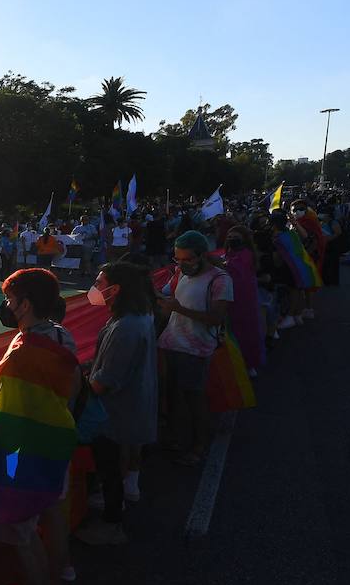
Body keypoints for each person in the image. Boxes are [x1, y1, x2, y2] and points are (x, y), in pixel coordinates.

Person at [0, 268, 79, 585]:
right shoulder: (59, 335)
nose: (7, 306)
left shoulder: (24, 353)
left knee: (21, 533)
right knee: (50, 517)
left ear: (25, 304)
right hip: (53, 447)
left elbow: (5, 415)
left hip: (21, 458)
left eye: (10, 300)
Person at [75, 263, 158, 545]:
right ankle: (113, 506)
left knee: (109, 467)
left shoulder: (126, 327)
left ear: (116, 288)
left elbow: (105, 380)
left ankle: (112, 525)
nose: (95, 288)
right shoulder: (130, 318)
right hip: (121, 405)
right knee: (109, 468)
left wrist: (77, 386)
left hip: (113, 411)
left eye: (99, 282)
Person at [157, 231, 232, 466]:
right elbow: (166, 294)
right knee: (172, 395)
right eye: (177, 259)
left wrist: (179, 309)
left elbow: (216, 318)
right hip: (170, 343)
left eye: (187, 259)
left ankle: (199, 445)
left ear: (201, 255)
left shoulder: (219, 280)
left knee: (193, 398)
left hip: (196, 349)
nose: (181, 264)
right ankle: (174, 439)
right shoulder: (180, 273)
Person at [223, 226, 265, 373]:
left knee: (247, 330)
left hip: (245, 299)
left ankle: (249, 363)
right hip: (231, 298)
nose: (231, 240)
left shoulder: (247, 254)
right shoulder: (229, 253)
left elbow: (233, 268)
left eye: (235, 237)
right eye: (229, 237)